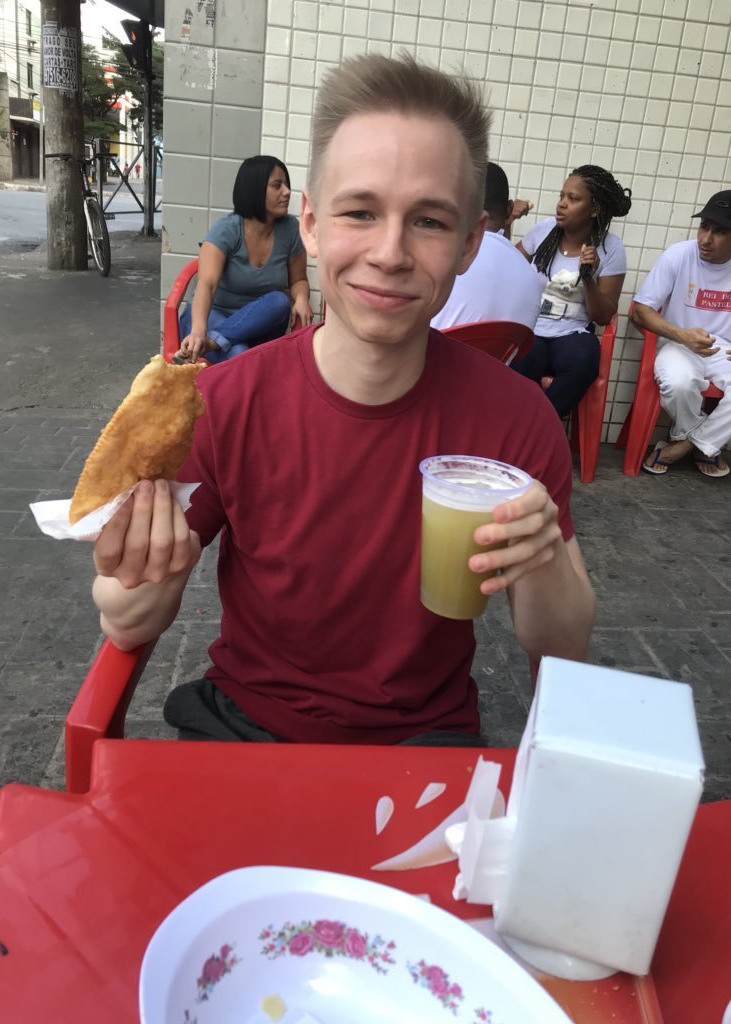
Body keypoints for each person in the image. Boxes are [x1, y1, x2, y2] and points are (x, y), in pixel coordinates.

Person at [91, 54, 596, 746]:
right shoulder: (220, 402)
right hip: (245, 727)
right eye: (360, 211)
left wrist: (539, 560)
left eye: (428, 222)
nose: (389, 252)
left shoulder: (514, 420)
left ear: (473, 243)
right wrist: (142, 570)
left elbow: (563, 648)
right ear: (312, 224)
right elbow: (126, 621)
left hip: (425, 739)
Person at [511, 165, 632, 418]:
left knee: (584, 360)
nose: (562, 204)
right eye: (562, 196)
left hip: (572, 332)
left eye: (573, 199)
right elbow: (507, 268)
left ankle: (538, 430)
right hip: (532, 327)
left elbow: (602, 316)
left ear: (594, 208)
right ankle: (521, 428)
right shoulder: (544, 231)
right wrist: (508, 222)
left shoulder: (611, 248)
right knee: (518, 360)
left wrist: (588, 278)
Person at [175, 155, 313, 365]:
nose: (287, 192)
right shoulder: (227, 229)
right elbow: (207, 284)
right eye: (277, 185)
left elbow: (298, 280)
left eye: (286, 185)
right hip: (211, 316)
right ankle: (214, 341)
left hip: (257, 327)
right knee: (239, 354)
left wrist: (301, 298)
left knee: (280, 301)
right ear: (254, 190)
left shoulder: (290, 229)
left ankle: (214, 342)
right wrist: (198, 331)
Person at [636, 190, 731, 478]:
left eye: (719, 231)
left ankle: (684, 444)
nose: (706, 238)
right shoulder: (679, 255)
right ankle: (706, 445)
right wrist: (682, 335)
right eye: (704, 227)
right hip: (677, 344)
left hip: (723, 349)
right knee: (679, 382)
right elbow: (640, 310)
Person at [431, 162, 543, 332]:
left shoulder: (442, 259)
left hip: (434, 357)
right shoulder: (531, 278)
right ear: (509, 209)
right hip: (499, 359)